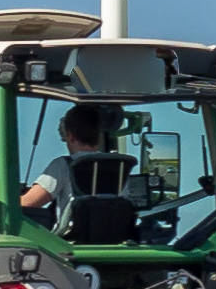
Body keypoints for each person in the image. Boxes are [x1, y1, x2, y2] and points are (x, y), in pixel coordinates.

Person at [14, 104, 139, 244]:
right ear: (98, 136)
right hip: (114, 241)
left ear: (70, 136)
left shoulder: (63, 165)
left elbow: (29, 203)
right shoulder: (119, 166)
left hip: (72, 242)